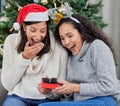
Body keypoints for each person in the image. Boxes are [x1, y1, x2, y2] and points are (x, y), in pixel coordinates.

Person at [39, 14, 120, 106]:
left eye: (70, 36)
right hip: (80, 102)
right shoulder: (70, 57)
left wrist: (75, 87)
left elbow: (110, 86)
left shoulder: (97, 46)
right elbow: (70, 93)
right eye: (62, 38)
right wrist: (49, 91)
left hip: (104, 100)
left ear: (82, 33)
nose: (66, 42)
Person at [1, 3, 68, 106]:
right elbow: (7, 84)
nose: (38, 36)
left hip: (47, 100)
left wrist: (49, 92)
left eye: (43, 31)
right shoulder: (11, 41)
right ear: (24, 27)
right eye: (33, 30)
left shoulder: (58, 46)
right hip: (18, 97)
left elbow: (61, 88)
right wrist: (24, 58)